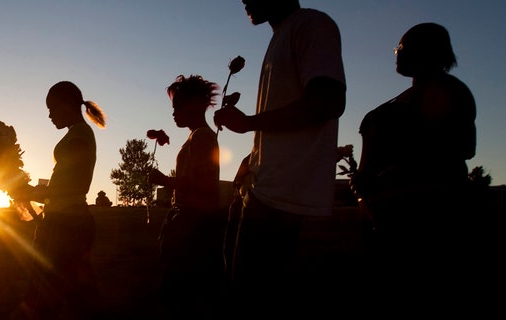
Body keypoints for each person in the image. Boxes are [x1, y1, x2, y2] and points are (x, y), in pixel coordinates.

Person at [213, 0, 346, 317]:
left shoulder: (311, 25)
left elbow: (327, 102)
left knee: (254, 301)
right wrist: (252, 158)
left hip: (284, 203)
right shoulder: (282, 37)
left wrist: (249, 124)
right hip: (263, 194)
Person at [353, 22, 477, 304]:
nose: (396, 53)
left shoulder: (448, 92)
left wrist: (381, 179)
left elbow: (451, 151)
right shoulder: (409, 96)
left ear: (426, 50)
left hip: (422, 221)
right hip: (388, 218)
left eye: (401, 47)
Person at [13, 81, 106, 319]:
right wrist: (32, 191)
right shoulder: (78, 134)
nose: (49, 115)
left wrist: (32, 193)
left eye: (52, 107)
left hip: (66, 224)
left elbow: (71, 185)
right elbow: (63, 182)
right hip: (66, 220)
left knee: (48, 289)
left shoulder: (78, 136)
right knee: (74, 289)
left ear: (67, 104)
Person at [149, 74, 224, 319]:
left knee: (181, 295)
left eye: (178, 106)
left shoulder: (202, 137)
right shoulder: (197, 136)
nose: (174, 113)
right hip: (190, 224)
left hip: (196, 227)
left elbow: (204, 185)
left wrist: (164, 181)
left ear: (194, 105)